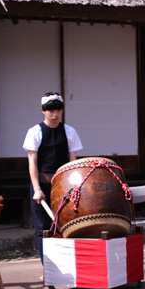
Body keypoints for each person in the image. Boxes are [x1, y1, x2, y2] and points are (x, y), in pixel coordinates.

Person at [24, 93, 83, 260]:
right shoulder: (35, 131)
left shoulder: (69, 131)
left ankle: (65, 262)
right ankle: (48, 265)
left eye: (58, 110)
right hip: (42, 184)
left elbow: (73, 162)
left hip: (63, 185)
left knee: (64, 223)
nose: (55, 114)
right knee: (42, 226)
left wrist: (73, 187)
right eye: (51, 111)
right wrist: (37, 189)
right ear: (42, 110)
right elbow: (32, 162)